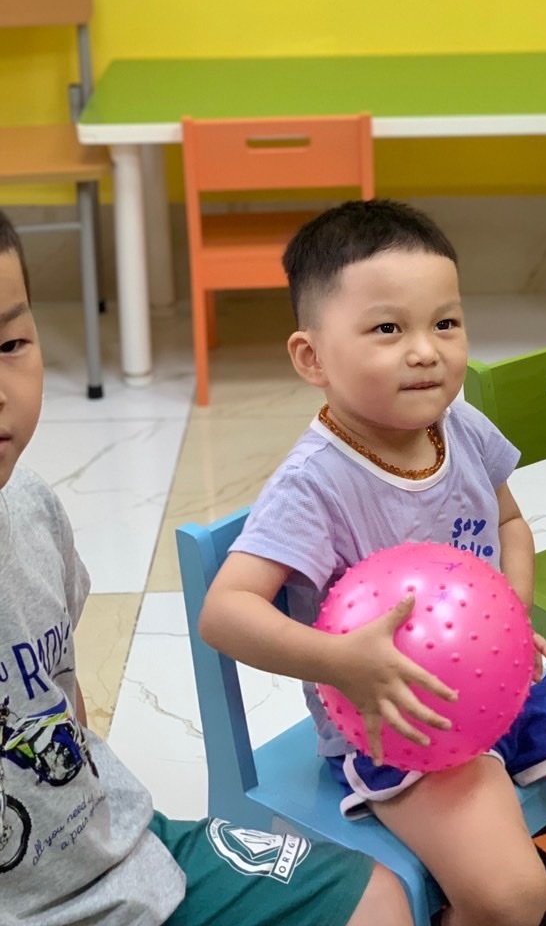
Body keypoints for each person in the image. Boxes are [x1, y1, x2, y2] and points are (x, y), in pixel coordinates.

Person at [199, 198, 546, 926]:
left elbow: (508, 522)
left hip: (512, 679)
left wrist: (512, 608)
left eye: (445, 323)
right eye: (388, 329)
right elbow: (224, 614)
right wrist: (342, 661)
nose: (426, 351)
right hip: (403, 720)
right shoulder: (313, 485)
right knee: (510, 895)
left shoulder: (460, 424)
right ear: (311, 357)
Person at [0, 211, 412, 926]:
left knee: (374, 898)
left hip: (126, 855)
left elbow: (62, 696)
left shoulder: (31, 507)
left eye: (9, 344)